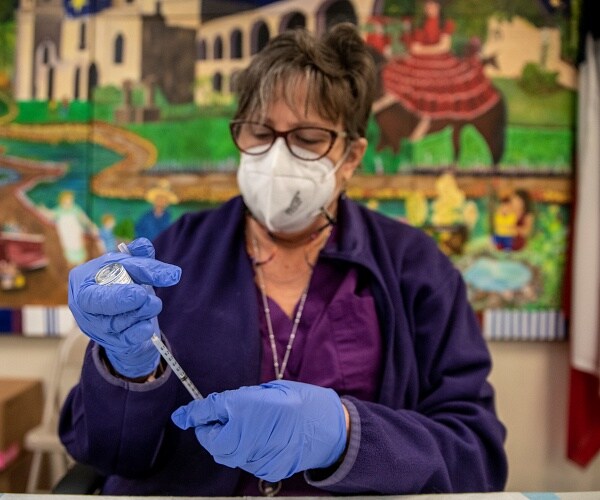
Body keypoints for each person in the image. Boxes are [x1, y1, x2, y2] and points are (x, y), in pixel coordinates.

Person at [60, 23, 508, 496]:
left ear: (351, 156)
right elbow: (101, 451)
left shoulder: (415, 268)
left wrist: (345, 434)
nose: (277, 158)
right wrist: (125, 370)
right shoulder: (176, 254)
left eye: (309, 138)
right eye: (259, 132)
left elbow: (475, 455)